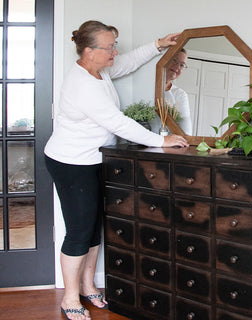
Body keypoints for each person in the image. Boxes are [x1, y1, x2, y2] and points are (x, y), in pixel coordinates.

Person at [44, 20, 188, 320]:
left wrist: (158, 44)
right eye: (109, 47)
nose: (114, 52)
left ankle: (87, 285)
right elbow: (117, 123)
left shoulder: (99, 69)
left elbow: (126, 62)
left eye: (114, 46)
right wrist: (161, 140)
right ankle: (70, 297)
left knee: (94, 226)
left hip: (95, 160)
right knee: (79, 231)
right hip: (71, 163)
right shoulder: (82, 84)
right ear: (88, 51)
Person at [164, 48, 193, 135]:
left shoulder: (180, 94)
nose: (177, 67)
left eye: (182, 65)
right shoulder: (146, 87)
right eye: (174, 61)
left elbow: (186, 130)